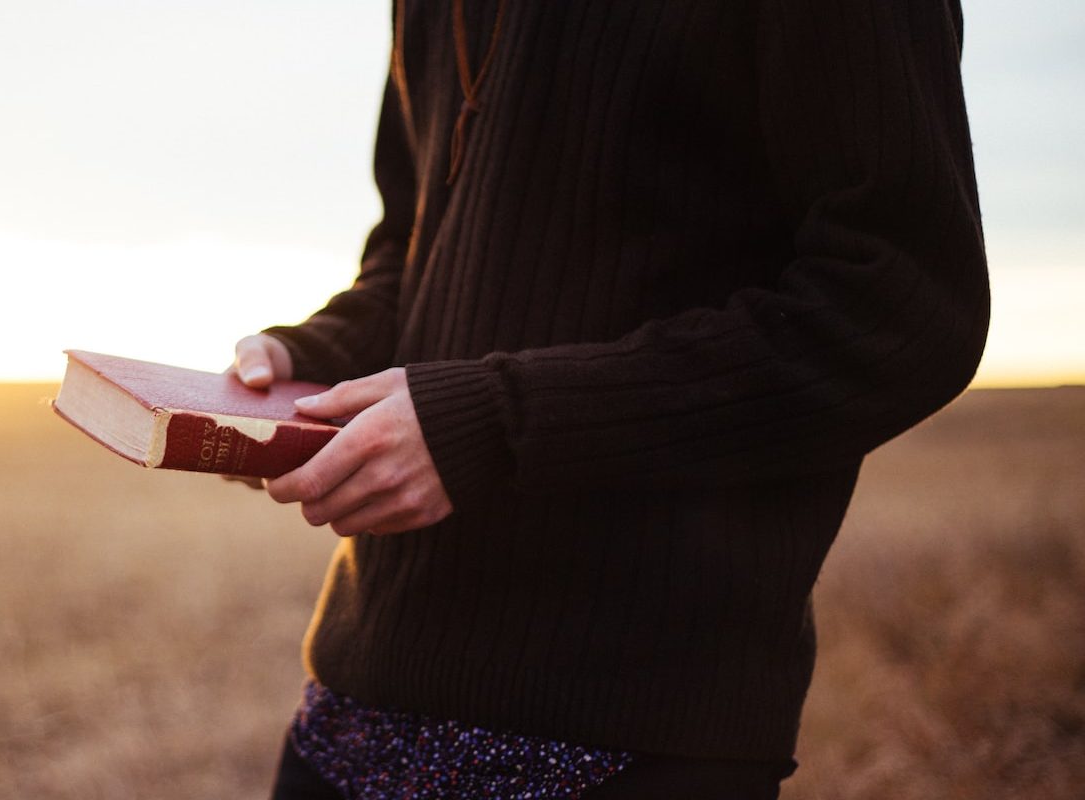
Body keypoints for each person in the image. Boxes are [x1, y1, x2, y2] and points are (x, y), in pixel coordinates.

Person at [230, 0, 989, 797]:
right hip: (355, 713)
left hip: (626, 737)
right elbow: (416, 243)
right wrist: (314, 356)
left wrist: (500, 424)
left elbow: (901, 310)